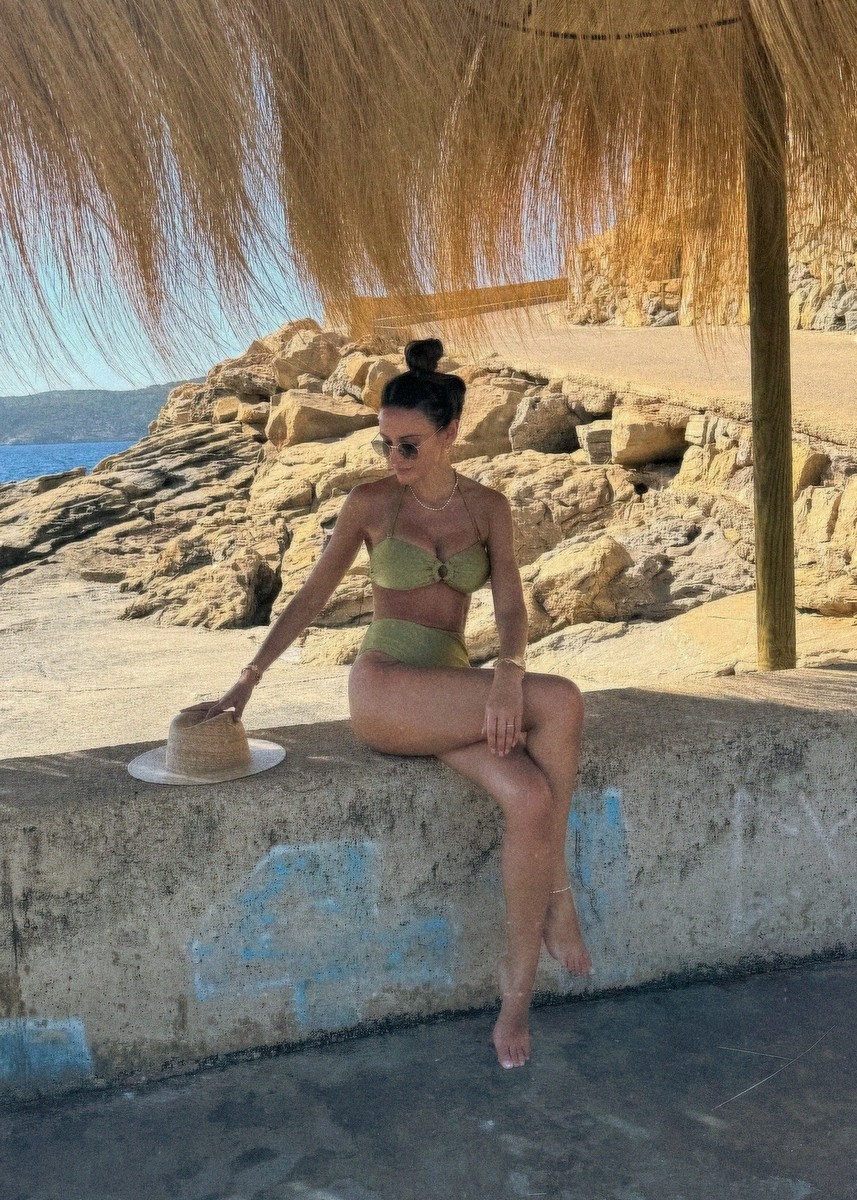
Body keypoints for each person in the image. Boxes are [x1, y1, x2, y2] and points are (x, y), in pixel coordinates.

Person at [195, 337, 591, 1069]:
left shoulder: (489, 508)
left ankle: (515, 998)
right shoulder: (372, 503)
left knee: (530, 798)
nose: (393, 458)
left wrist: (507, 673)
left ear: (450, 434)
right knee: (561, 701)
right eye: (385, 444)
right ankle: (560, 898)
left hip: (451, 692)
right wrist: (247, 679)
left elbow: (510, 607)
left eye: (408, 445)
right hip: (385, 691)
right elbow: (309, 597)